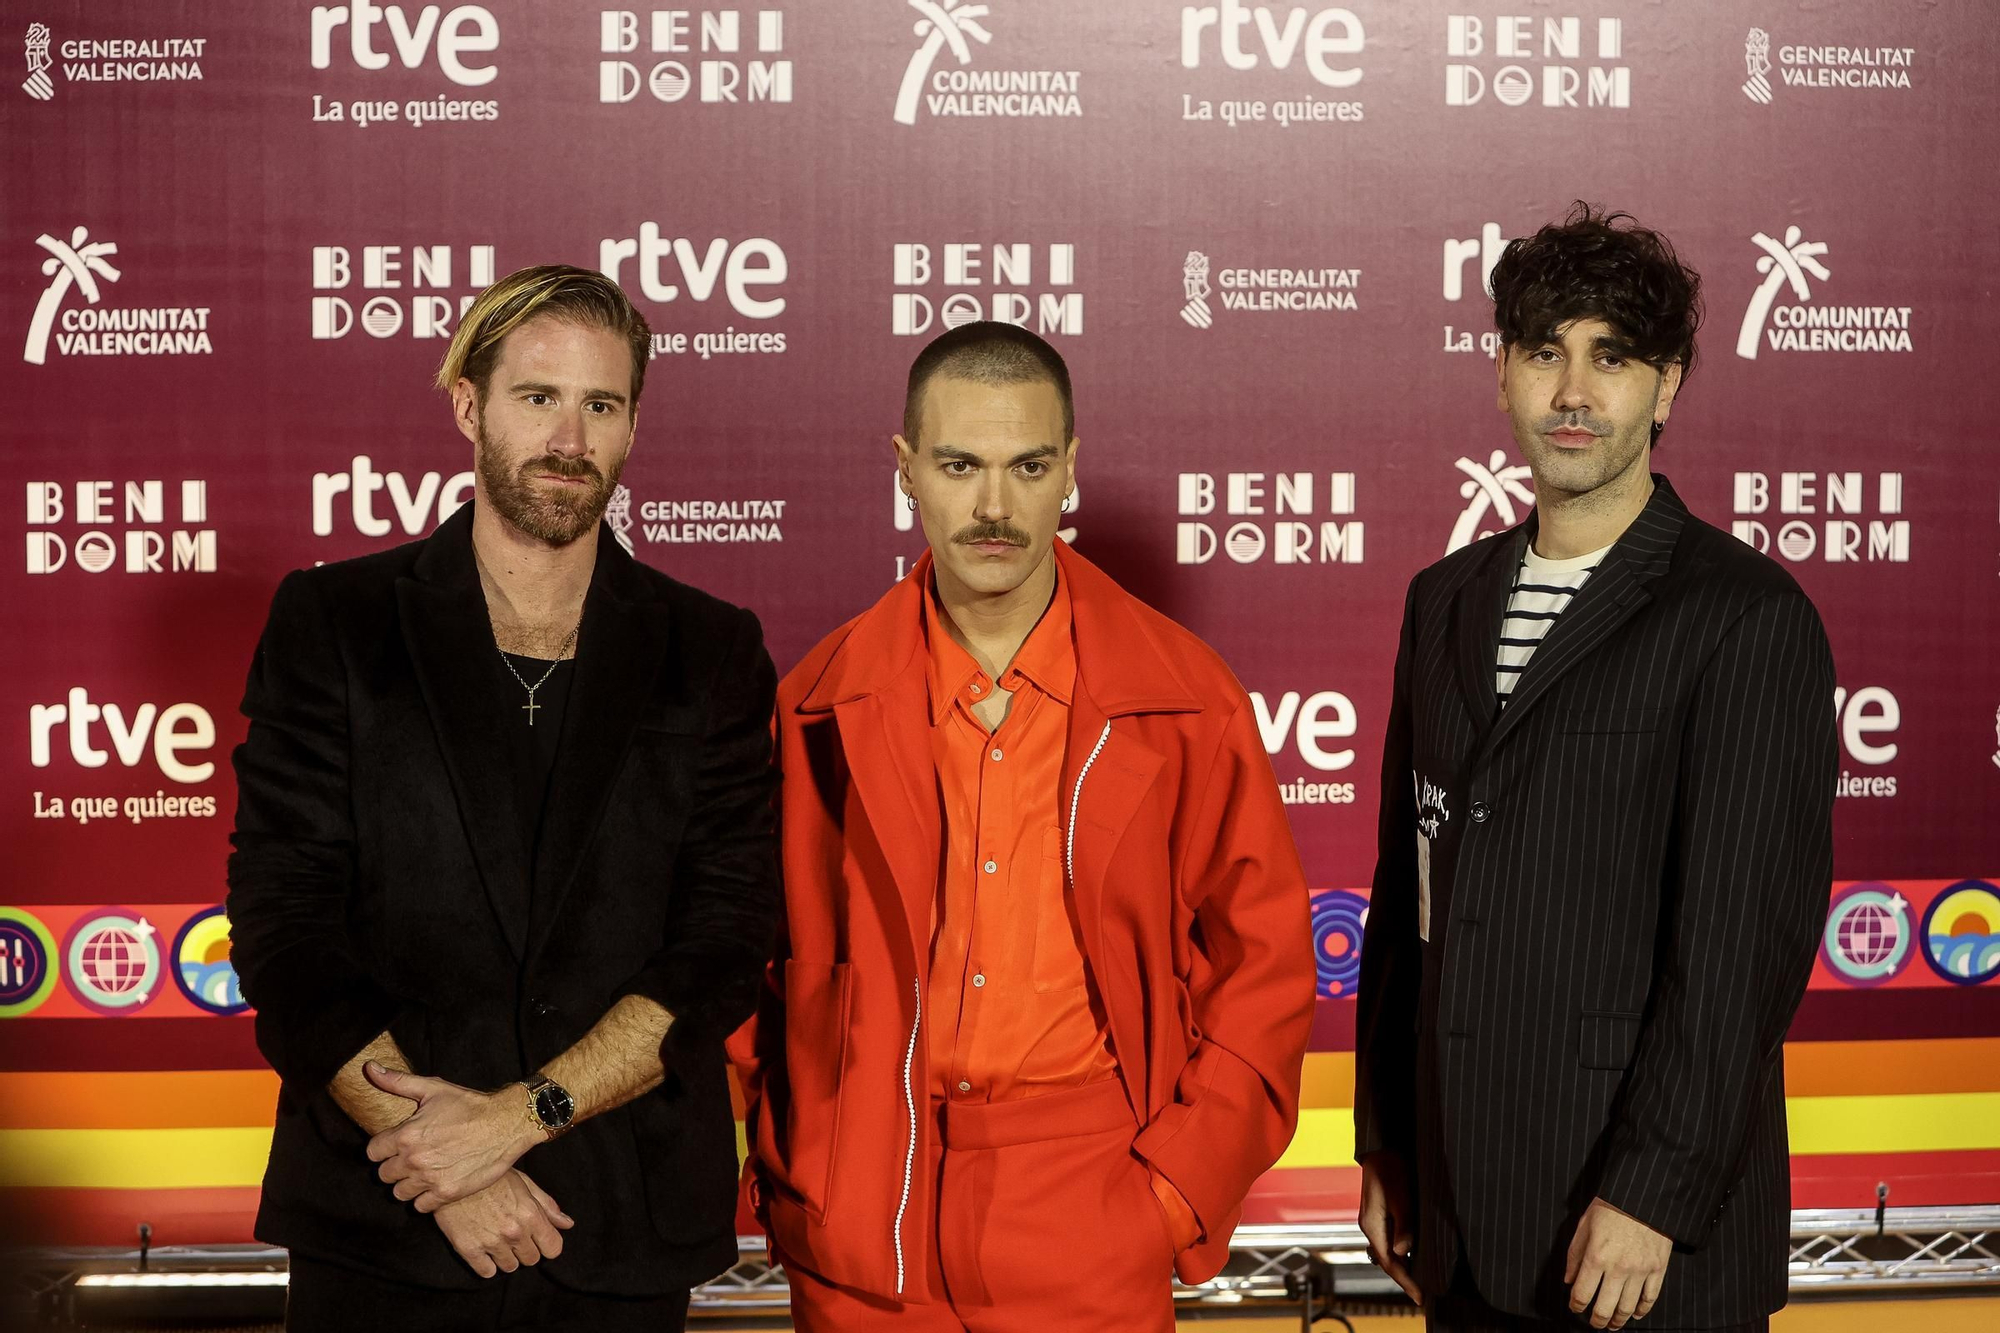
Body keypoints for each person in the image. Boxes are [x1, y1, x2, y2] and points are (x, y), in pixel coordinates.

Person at [732, 321, 1316, 1331]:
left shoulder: (1183, 698)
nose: (993, 507)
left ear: (1069, 471)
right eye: (959, 465)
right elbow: (743, 968)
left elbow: (1262, 971)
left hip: (1092, 1198)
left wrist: (1169, 1191)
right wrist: (802, 1167)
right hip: (866, 1212)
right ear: (905, 468)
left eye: (1027, 466)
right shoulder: (814, 705)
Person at [226, 264, 778, 1331]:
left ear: (629, 427)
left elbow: (724, 936)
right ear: (470, 405)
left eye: (601, 404)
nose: (569, 436)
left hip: (620, 1223)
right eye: (537, 397)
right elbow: (286, 927)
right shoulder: (336, 622)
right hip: (387, 1221)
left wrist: (521, 1118)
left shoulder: (709, 648)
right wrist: (448, 1166)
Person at [1354, 204, 1838, 1333]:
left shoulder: (1743, 617)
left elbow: (1736, 958)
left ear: (1664, 385)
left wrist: (1650, 1194)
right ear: (1502, 374)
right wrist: (1387, 1140)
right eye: (1543, 352)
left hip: (1638, 1252)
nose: (1571, 392)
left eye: (1609, 356)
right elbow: (1404, 898)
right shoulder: (1443, 601)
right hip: (1460, 1227)